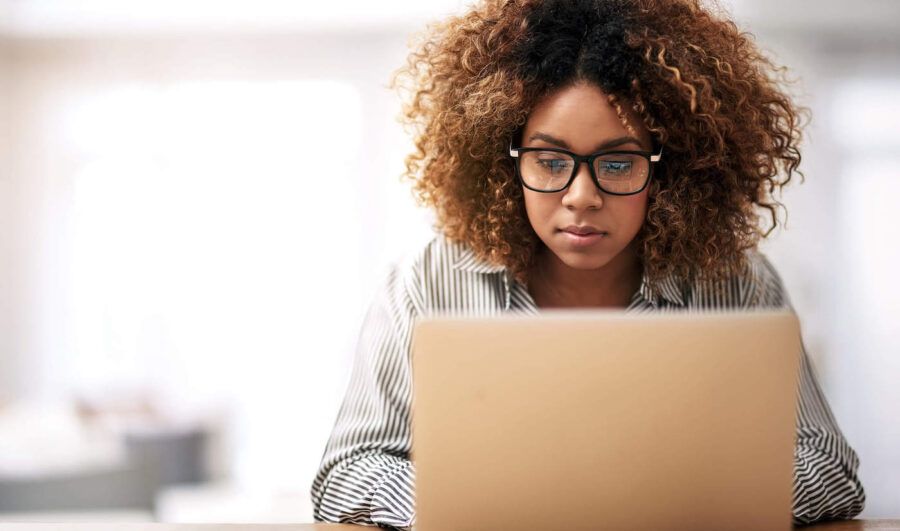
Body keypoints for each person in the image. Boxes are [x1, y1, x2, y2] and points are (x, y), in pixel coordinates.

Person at [310, 0, 866, 528]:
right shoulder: (427, 280)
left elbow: (830, 468)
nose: (581, 196)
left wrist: (660, 501)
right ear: (505, 162)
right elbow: (345, 471)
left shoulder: (736, 280)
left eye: (618, 163)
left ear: (671, 171)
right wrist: (488, 507)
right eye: (551, 161)